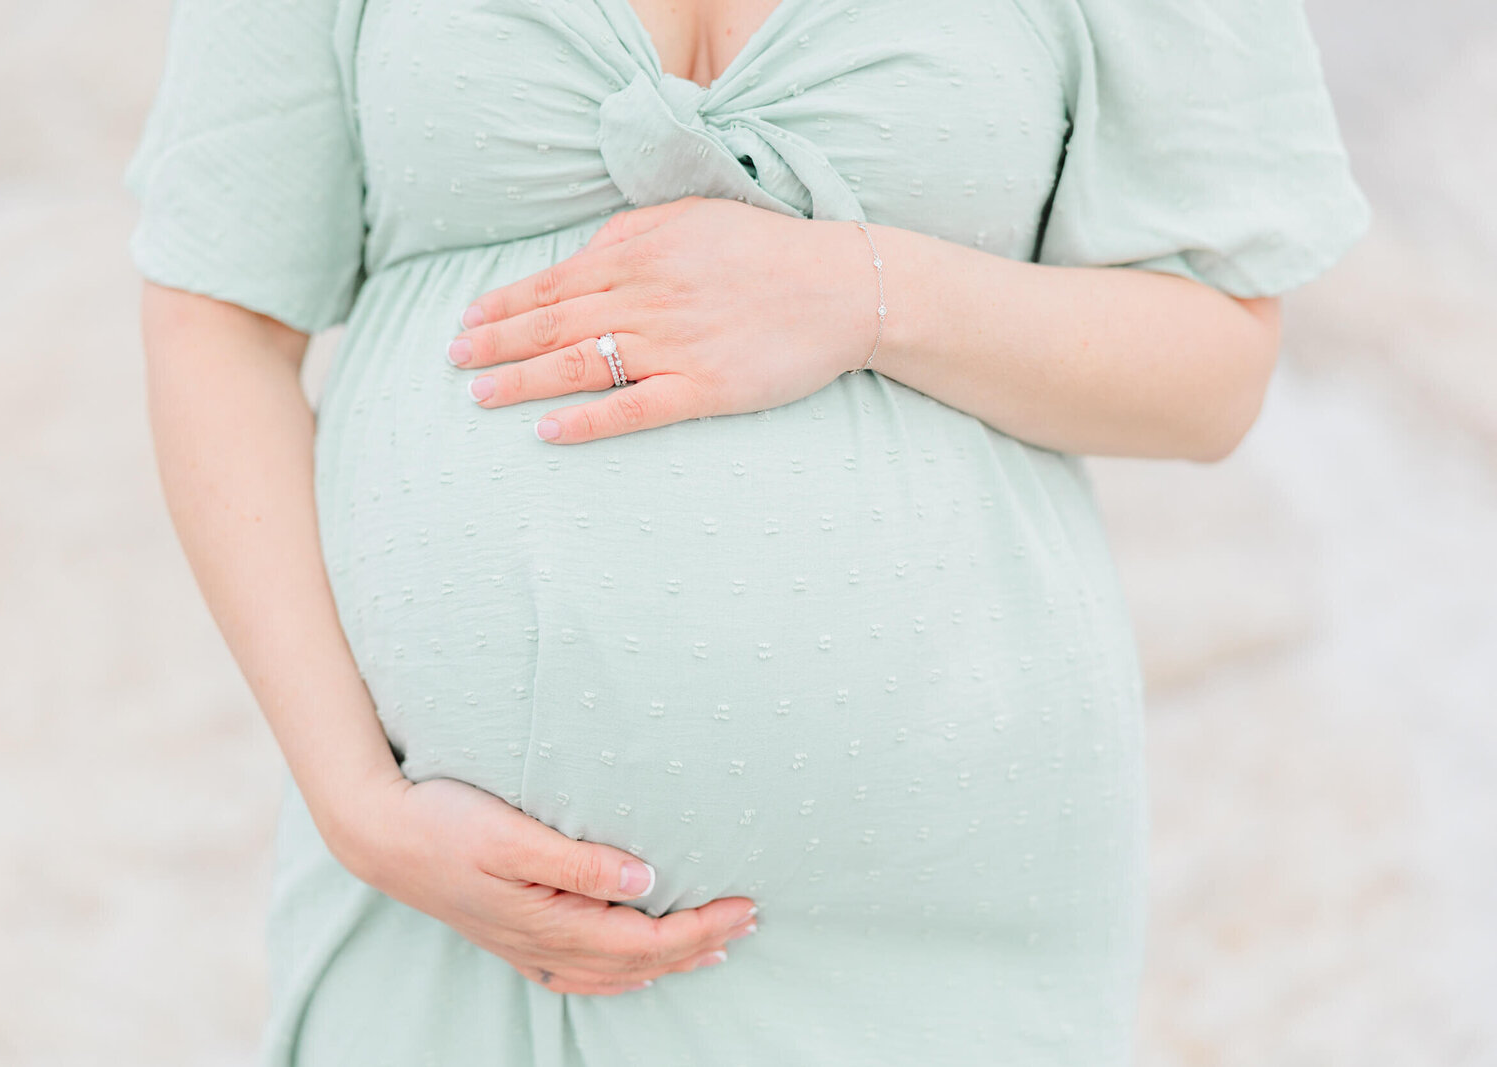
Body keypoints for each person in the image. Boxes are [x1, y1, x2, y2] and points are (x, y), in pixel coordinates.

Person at [124, 0, 1369, 1062]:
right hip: (446, 907)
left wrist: (868, 291)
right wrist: (358, 806)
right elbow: (216, 311)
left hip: (936, 928)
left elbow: (1212, 368)